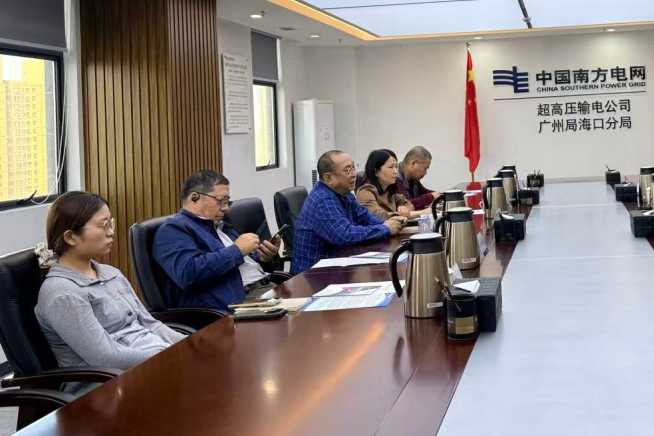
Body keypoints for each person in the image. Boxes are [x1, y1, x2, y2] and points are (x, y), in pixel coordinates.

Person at [35, 192, 184, 393]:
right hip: (107, 388)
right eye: (103, 225)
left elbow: (150, 323)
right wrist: (169, 357)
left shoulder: (111, 273)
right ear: (71, 237)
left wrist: (188, 345)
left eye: (110, 223)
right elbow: (105, 357)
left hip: (154, 364)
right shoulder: (62, 292)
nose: (111, 232)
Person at [154, 170, 281, 312]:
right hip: (240, 303)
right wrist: (237, 250)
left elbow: (246, 264)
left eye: (227, 202)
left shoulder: (221, 227)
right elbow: (188, 274)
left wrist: (266, 259)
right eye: (220, 201)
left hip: (268, 289)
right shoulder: (173, 229)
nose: (225, 208)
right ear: (194, 198)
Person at [292, 150, 406, 274]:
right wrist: (385, 228)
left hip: (337, 265)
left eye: (353, 167)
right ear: (328, 178)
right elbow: (344, 235)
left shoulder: (345, 194)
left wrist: (390, 222)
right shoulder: (323, 199)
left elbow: (364, 216)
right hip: (312, 275)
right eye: (347, 170)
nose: (354, 174)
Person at [356, 149, 431, 220]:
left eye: (396, 167)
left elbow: (408, 203)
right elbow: (378, 216)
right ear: (376, 172)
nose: (395, 171)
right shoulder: (365, 192)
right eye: (391, 167)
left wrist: (405, 209)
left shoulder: (389, 191)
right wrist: (417, 213)